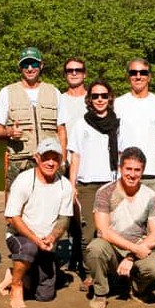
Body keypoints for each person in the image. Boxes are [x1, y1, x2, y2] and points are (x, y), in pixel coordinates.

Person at [84, 147, 155, 308]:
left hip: (139, 246)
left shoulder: (151, 196)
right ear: (120, 168)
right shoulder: (105, 193)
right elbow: (104, 231)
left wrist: (131, 256)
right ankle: (100, 293)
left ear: (142, 171)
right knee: (95, 249)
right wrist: (134, 249)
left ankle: (137, 288)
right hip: (112, 246)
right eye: (128, 169)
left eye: (137, 170)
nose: (132, 174)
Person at [0, 138, 74, 308]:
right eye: (46, 157)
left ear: (61, 161)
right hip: (20, 236)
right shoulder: (24, 180)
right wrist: (36, 239)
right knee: (28, 248)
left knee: (45, 296)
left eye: (55, 158)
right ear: (37, 158)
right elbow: (13, 217)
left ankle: (17, 273)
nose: (50, 162)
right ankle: (17, 284)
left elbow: (64, 218)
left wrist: (53, 237)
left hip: (46, 241)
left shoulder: (65, 185)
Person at [0, 47, 67, 192]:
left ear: (41, 65)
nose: (30, 68)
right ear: (20, 67)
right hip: (20, 164)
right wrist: (9, 132)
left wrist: (62, 160)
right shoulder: (6, 92)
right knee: (17, 209)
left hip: (49, 162)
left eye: (34, 64)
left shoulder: (54, 92)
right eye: (26, 64)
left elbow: (61, 130)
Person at [68, 80, 120, 289]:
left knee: (111, 229)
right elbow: (75, 156)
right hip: (87, 185)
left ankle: (108, 270)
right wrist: (72, 185)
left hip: (112, 183)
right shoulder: (82, 124)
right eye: (96, 96)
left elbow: (122, 154)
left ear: (110, 98)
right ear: (89, 99)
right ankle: (88, 274)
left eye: (104, 96)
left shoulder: (118, 123)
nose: (100, 99)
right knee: (87, 232)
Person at [114, 58, 155, 191]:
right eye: (133, 73)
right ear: (128, 76)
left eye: (143, 73)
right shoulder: (117, 104)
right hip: (126, 174)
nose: (138, 76)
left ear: (149, 77)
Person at [60, 57, 88, 274]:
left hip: (93, 162)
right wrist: (62, 159)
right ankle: (74, 254)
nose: (74, 73)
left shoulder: (95, 97)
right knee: (71, 212)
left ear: (84, 74)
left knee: (87, 212)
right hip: (69, 161)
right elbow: (61, 131)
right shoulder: (61, 100)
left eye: (78, 70)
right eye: (70, 70)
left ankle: (85, 256)